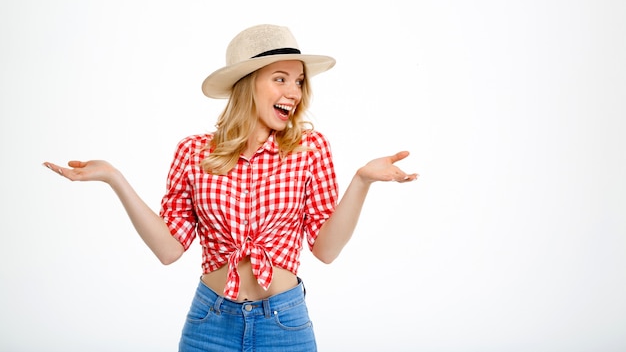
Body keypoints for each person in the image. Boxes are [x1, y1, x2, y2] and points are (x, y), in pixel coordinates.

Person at [43, 24, 418, 352]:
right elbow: (169, 248)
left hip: (284, 323)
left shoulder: (309, 148)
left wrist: (362, 181)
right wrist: (115, 178)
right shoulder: (194, 152)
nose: (294, 92)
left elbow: (326, 249)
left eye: (299, 81)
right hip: (210, 323)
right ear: (247, 83)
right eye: (280, 78)